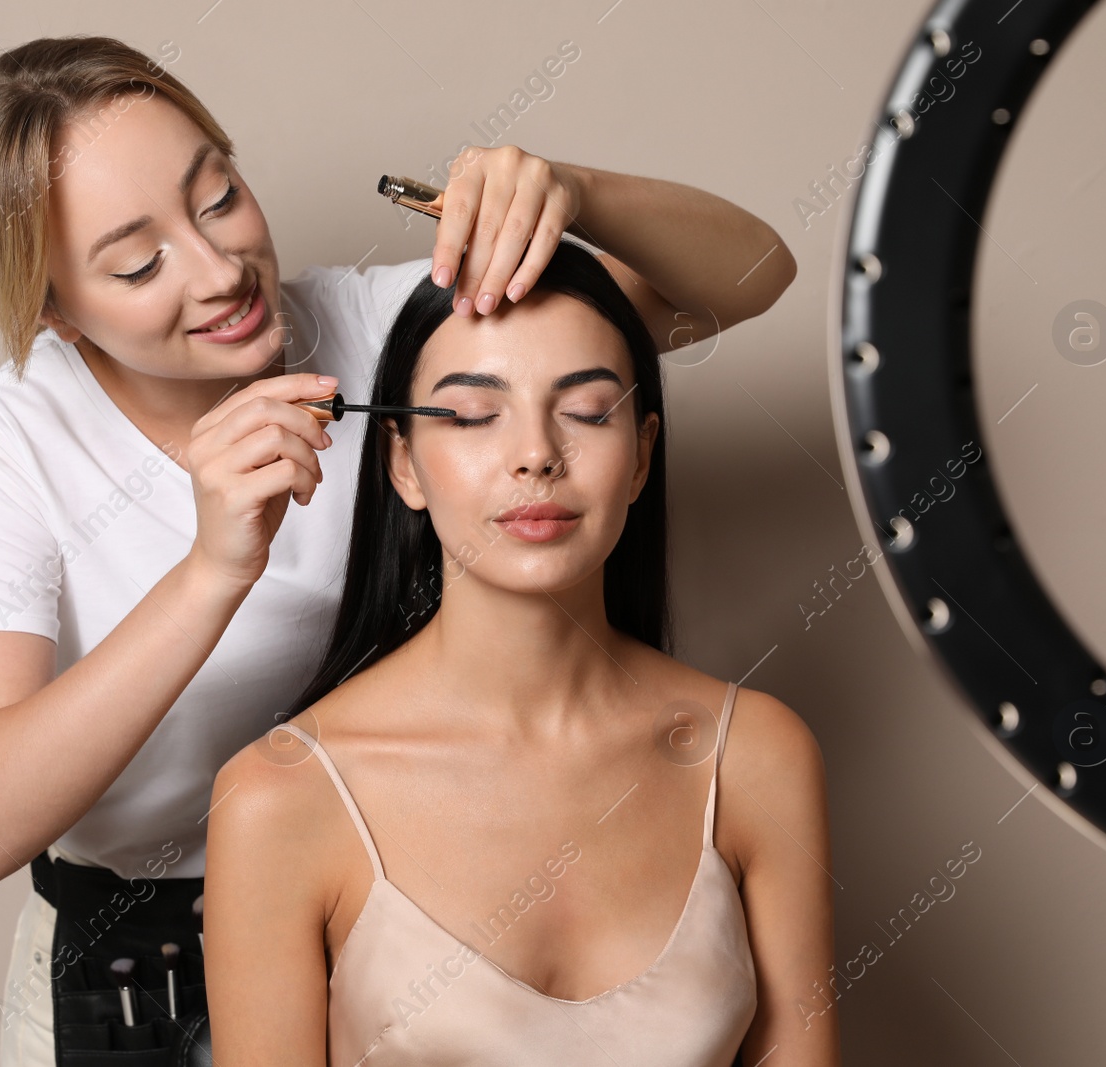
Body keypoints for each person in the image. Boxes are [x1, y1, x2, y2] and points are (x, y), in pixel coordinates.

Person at [0, 35, 797, 1066]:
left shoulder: (393, 329)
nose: (219, 271)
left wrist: (573, 191)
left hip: (401, 912)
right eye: (138, 262)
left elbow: (749, 273)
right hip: (140, 964)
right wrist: (213, 572)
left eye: (218, 197)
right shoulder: (13, 437)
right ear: (55, 311)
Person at [203, 239, 836, 1066]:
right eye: (471, 415)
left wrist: (568, 188)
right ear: (404, 463)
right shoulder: (278, 797)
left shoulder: (756, 755)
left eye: (586, 410)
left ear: (643, 454)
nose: (537, 453)